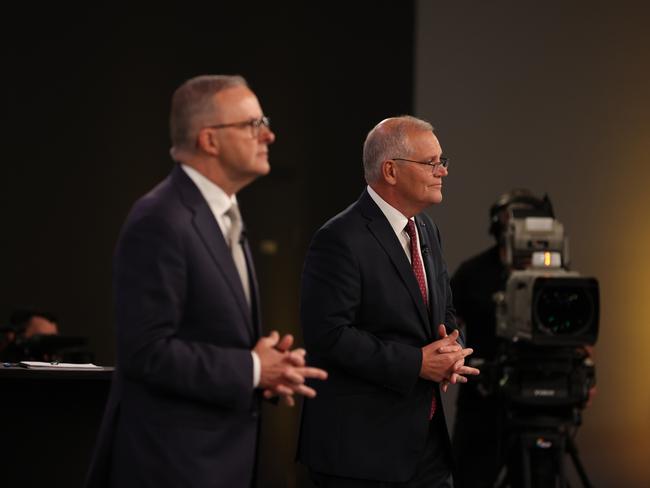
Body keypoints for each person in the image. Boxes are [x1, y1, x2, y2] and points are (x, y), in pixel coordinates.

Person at [85, 74, 327, 488]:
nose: (268, 134)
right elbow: (147, 352)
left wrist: (266, 370)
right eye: (253, 124)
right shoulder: (160, 219)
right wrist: (252, 367)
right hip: (171, 468)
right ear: (209, 140)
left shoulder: (221, 214)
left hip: (217, 463)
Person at [297, 116, 479, 487]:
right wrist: (417, 363)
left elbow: (443, 308)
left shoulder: (426, 228)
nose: (442, 171)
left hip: (427, 448)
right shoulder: (339, 238)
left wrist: (451, 352)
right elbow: (328, 335)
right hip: (360, 454)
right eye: (431, 162)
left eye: (442, 160)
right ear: (391, 171)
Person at [450, 189, 596, 488]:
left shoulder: (559, 276)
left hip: (542, 400)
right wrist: (458, 359)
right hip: (484, 404)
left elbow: (578, 333)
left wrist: (586, 372)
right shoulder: (472, 273)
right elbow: (449, 326)